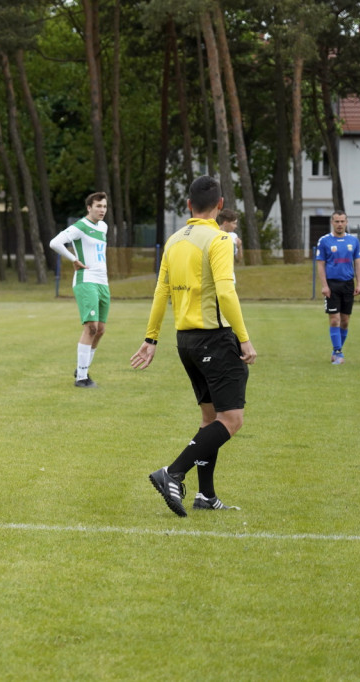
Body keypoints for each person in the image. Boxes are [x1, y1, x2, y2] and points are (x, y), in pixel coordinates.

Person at [130, 176, 257, 517]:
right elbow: (226, 292)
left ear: (188, 205)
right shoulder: (218, 239)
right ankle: (172, 472)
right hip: (214, 339)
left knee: (209, 418)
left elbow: (161, 292)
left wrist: (151, 337)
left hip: (184, 340)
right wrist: (244, 338)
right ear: (220, 205)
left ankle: (206, 495)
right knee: (231, 420)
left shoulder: (173, 240)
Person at [49, 192, 109, 388]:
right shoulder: (80, 226)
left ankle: (82, 368)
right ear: (89, 208)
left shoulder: (103, 227)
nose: (102, 210)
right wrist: (73, 259)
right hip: (86, 280)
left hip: (102, 283)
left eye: (104, 206)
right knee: (91, 327)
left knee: (100, 330)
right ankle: (81, 378)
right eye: (98, 206)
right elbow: (55, 242)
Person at [315, 210, 360, 364]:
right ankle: (338, 352)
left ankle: (336, 351)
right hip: (332, 284)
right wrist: (324, 285)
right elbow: (320, 264)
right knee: (334, 319)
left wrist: (359, 283)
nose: (340, 224)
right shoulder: (324, 241)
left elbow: (358, 263)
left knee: (345, 321)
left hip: (348, 284)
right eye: (337, 221)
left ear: (346, 222)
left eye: (342, 221)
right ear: (332, 222)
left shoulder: (353, 241)